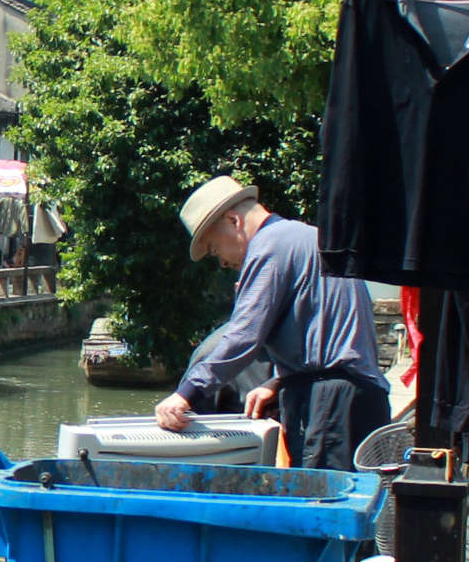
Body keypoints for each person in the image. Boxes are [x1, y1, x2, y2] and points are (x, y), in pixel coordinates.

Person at [152, 174, 390, 472]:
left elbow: (243, 335)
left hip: (331, 406)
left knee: (321, 508)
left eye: (215, 249)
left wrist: (184, 394)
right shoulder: (305, 237)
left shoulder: (269, 247)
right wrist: (277, 382)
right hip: (360, 400)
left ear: (233, 221)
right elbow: (331, 335)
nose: (222, 262)